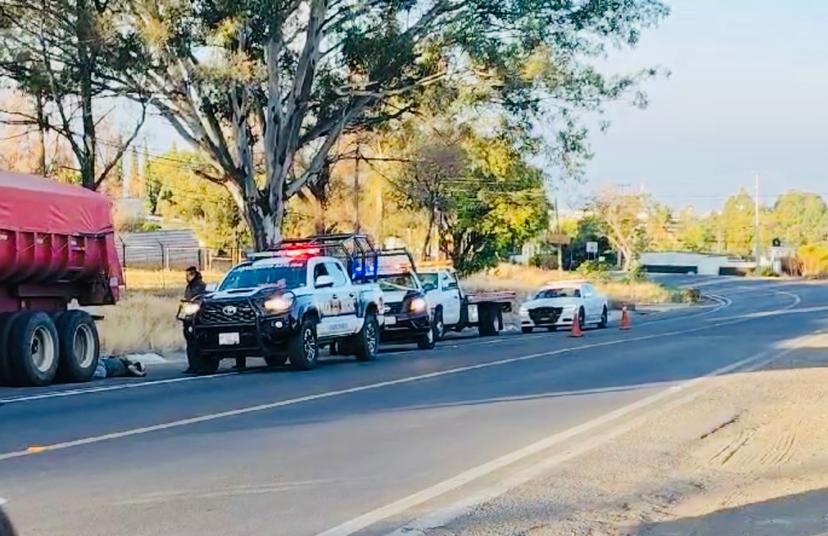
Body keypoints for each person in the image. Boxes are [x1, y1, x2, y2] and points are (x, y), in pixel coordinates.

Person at [183, 266, 207, 374]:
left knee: (195, 343)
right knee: (190, 343)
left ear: (193, 274)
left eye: (188, 275)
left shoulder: (200, 286)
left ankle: (197, 365)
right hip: (189, 317)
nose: (186, 277)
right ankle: (192, 365)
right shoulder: (190, 286)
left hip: (197, 318)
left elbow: (198, 301)